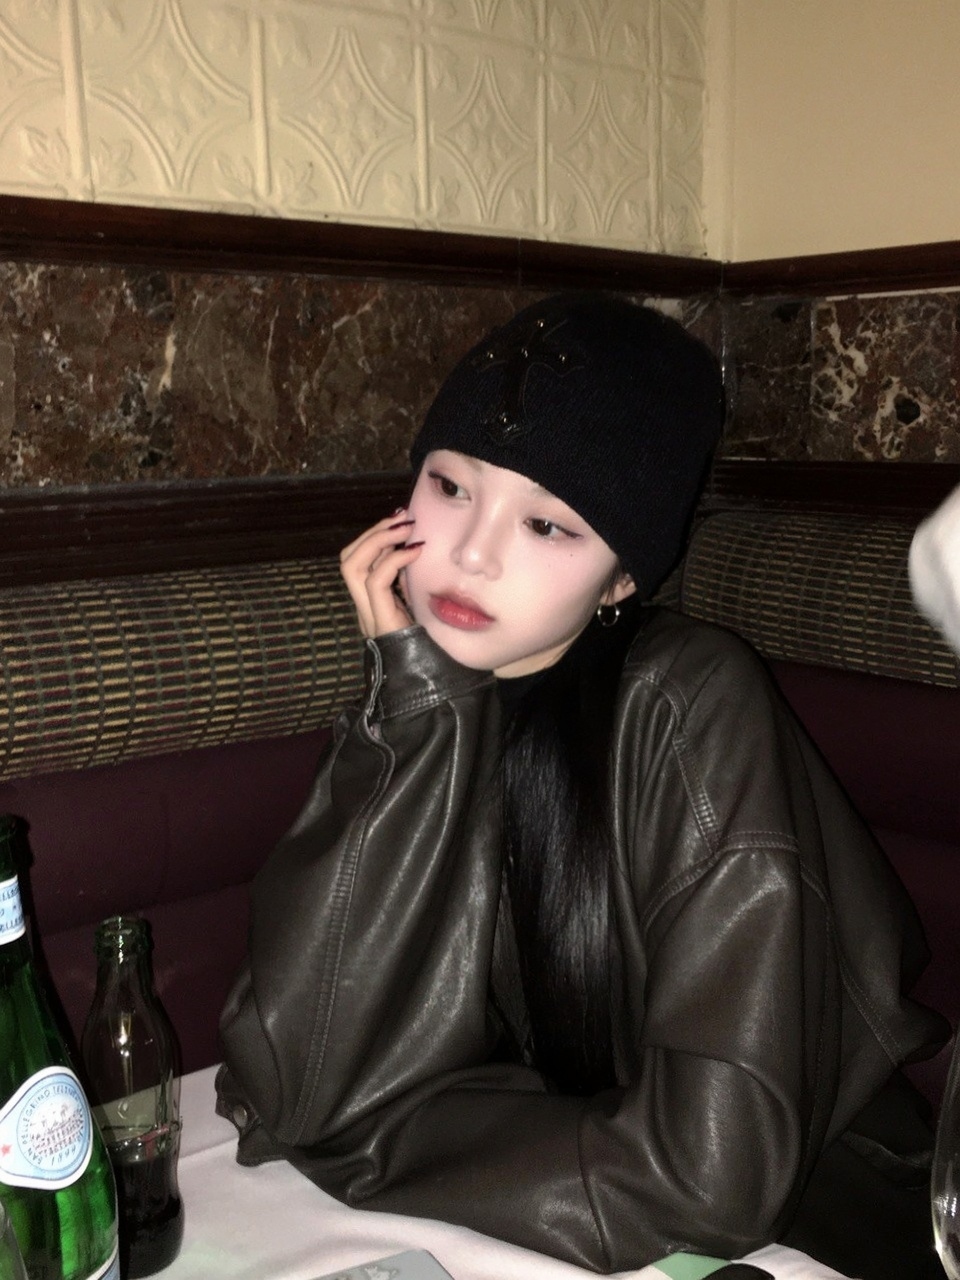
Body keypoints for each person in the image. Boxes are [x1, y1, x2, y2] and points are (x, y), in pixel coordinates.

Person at [216, 294, 948, 1279]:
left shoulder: (690, 702)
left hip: (820, 1227)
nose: (472, 552)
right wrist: (412, 710)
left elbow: (709, 1176)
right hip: (565, 1212)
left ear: (620, 579)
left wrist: (378, 1143)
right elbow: (289, 1081)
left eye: (548, 524)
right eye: (450, 484)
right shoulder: (425, 694)